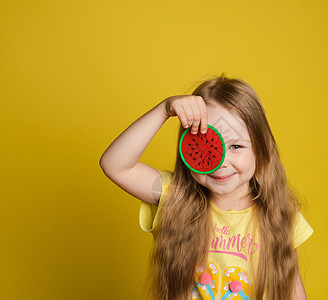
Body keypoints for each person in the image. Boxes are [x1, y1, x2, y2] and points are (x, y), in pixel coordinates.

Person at [99, 74, 314, 300]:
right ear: (187, 148)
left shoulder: (279, 214)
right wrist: (164, 110)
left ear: (261, 148)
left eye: (236, 146)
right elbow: (115, 165)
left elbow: (291, 287)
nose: (219, 162)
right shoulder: (175, 197)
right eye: (205, 145)